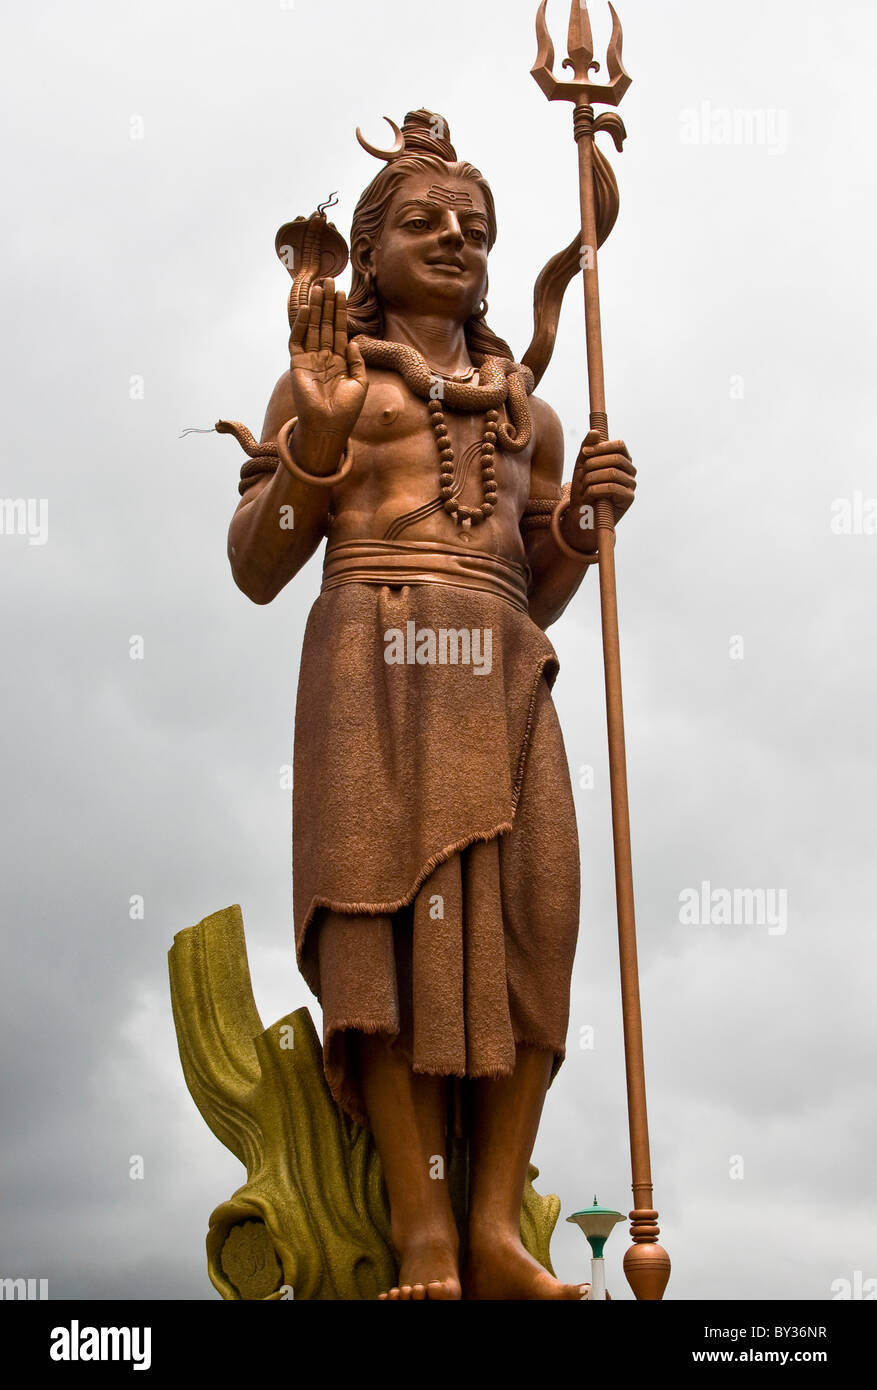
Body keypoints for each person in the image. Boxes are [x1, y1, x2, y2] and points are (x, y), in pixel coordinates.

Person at [227, 111, 635, 1299]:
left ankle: (497, 1222)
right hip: (373, 653)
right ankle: (422, 1228)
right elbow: (257, 565)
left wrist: (580, 525)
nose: (456, 239)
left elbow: (541, 589)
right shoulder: (331, 378)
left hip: (502, 661)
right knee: (385, 934)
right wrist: (313, 437)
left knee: (530, 925)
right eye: (423, 223)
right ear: (368, 256)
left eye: (478, 227)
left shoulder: (530, 411)